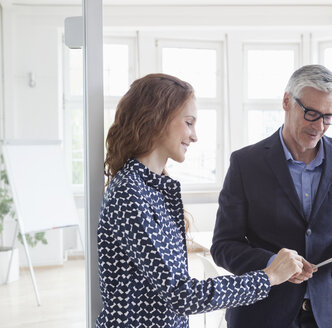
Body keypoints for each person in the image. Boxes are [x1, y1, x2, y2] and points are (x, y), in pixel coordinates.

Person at [96, 73, 307, 328]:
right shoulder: (130, 192)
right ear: (156, 119)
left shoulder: (154, 187)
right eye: (188, 123)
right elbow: (182, 295)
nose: (194, 136)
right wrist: (268, 277)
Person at [211, 65, 332, 328]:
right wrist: (273, 263)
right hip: (261, 315)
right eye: (310, 113)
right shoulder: (246, 163)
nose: (319, 126)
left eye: (328, 117)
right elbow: (223, 245)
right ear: (287, 101)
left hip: (326, 316)